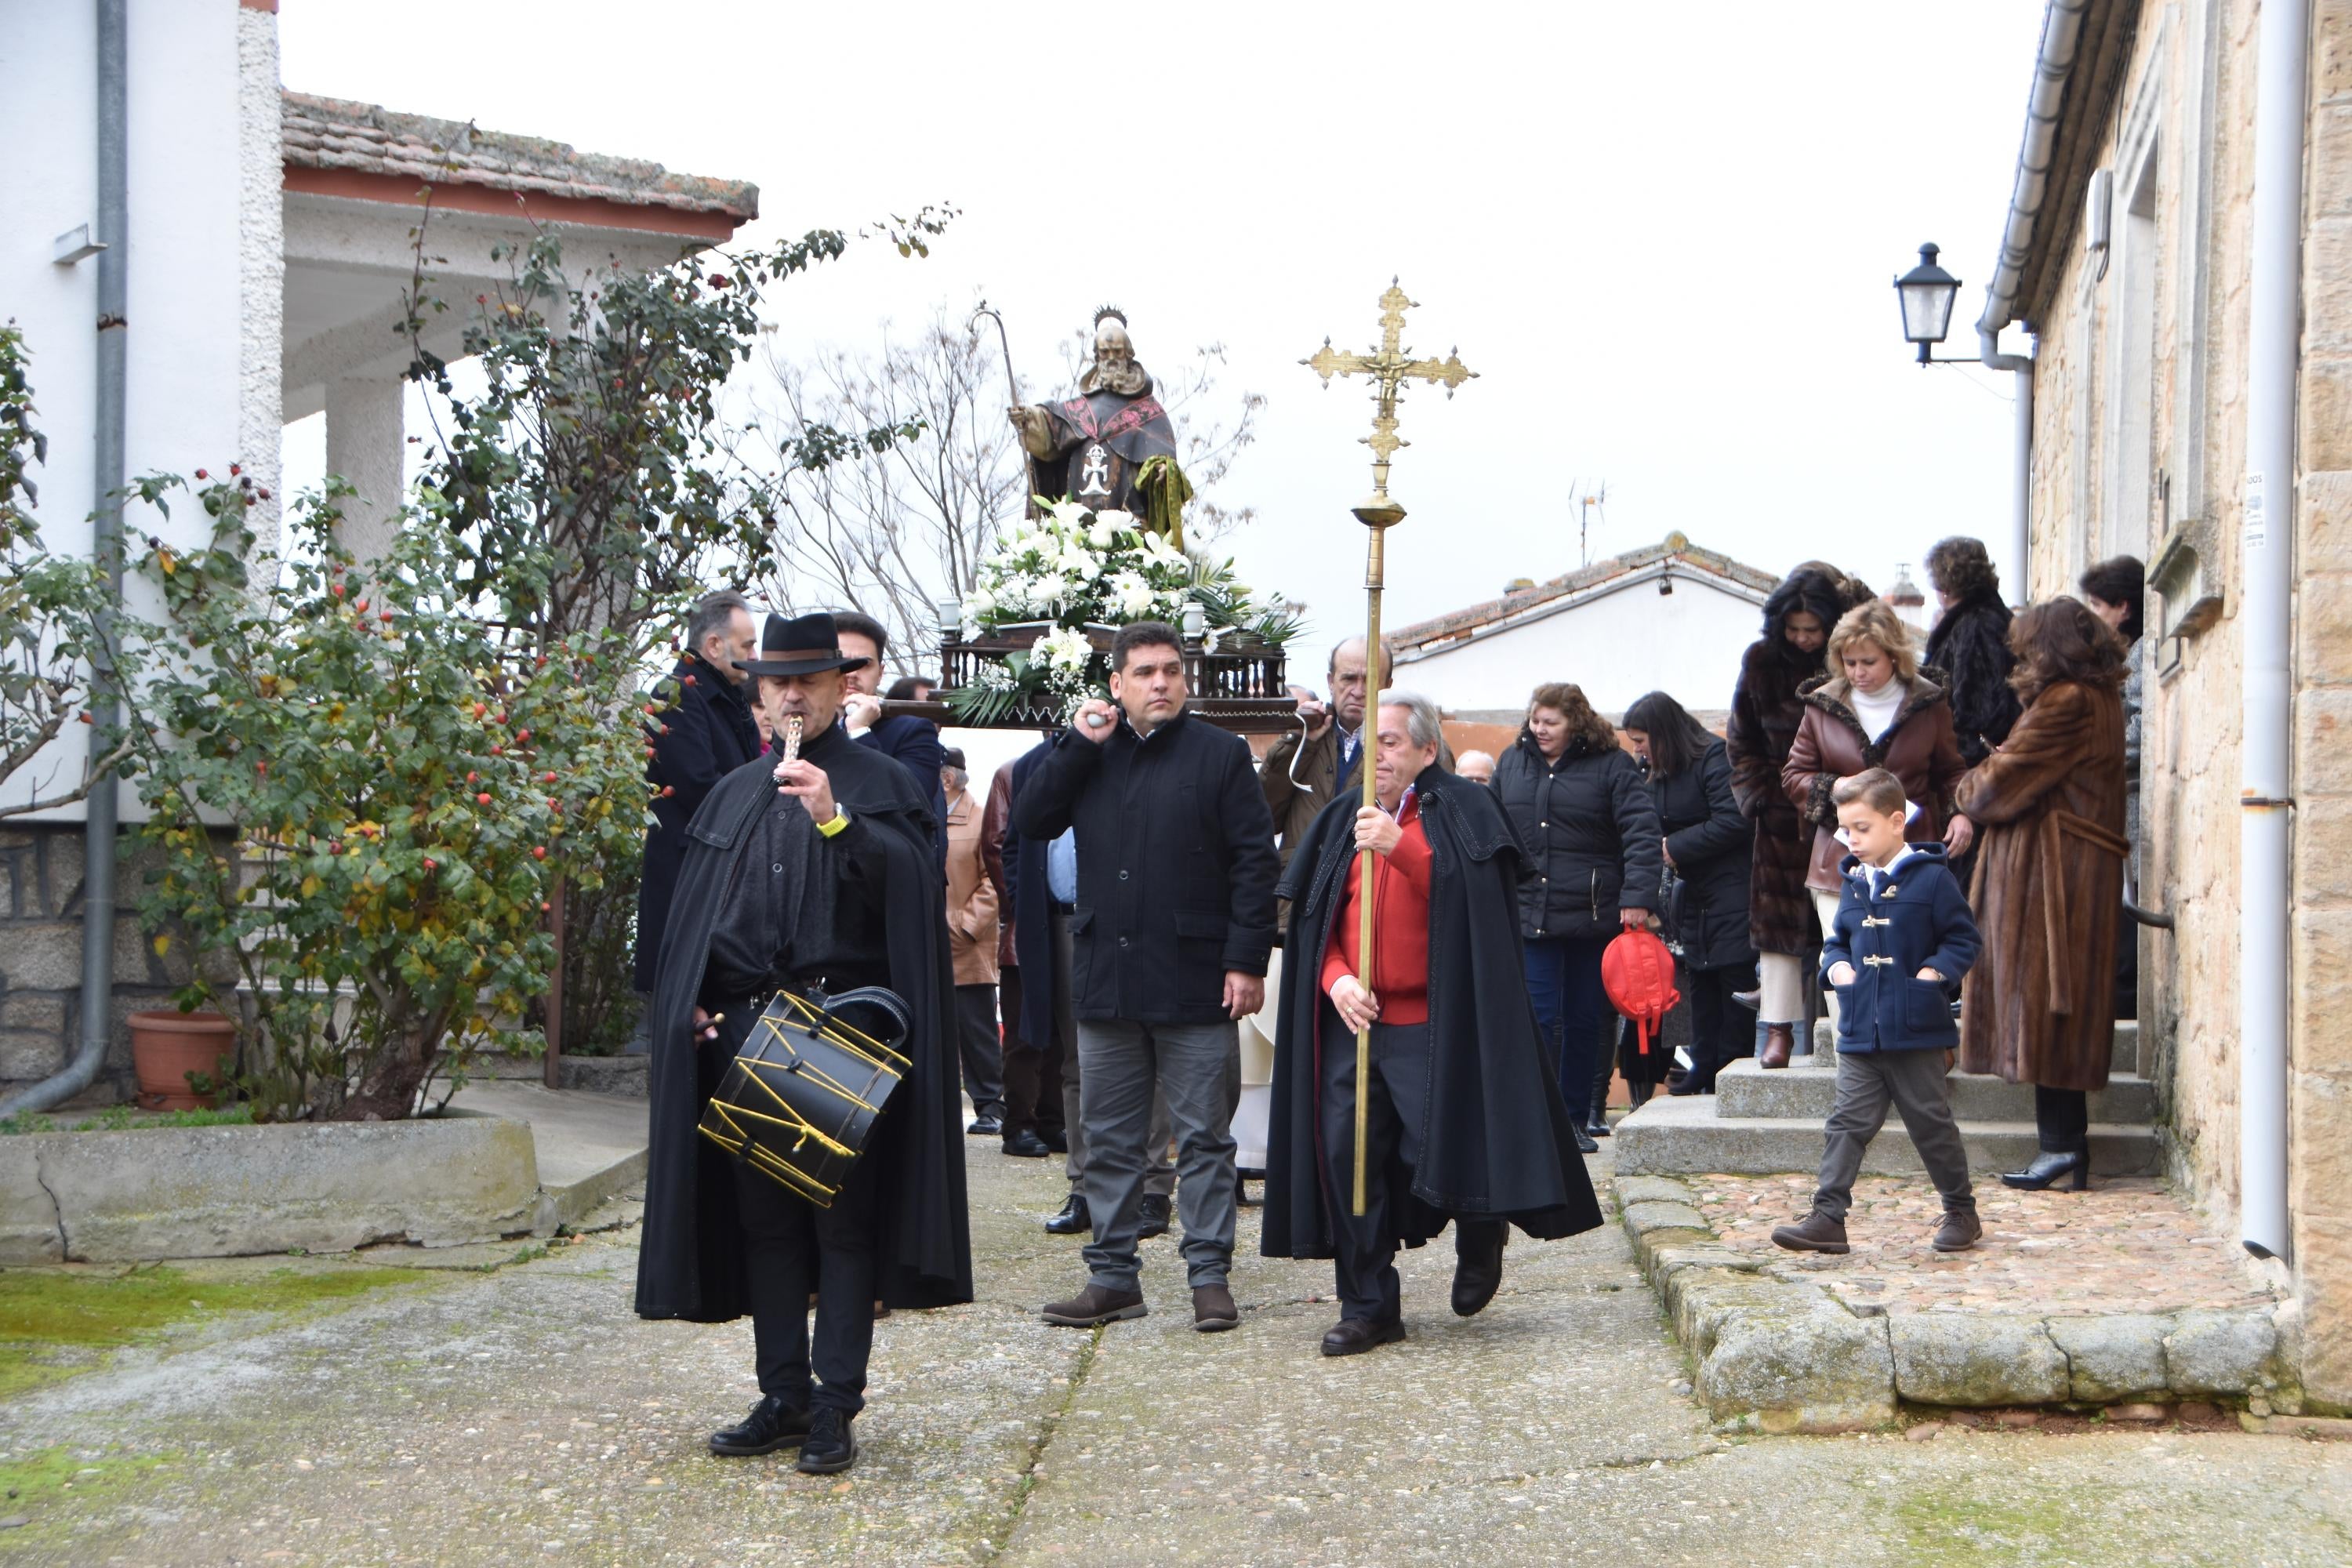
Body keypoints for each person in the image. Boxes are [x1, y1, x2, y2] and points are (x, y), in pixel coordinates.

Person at [634, 612, 971, 1476]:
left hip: (839, 1029)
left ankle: (834, 1403)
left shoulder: (883, 781)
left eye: (808, 681)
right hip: (745, 1028)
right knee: (765, 1226)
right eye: (775, 683)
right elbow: (695, 908)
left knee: (842, 1226)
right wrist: (697, 999)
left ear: (839, 687)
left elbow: (906, 890)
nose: (791, 695)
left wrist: (834, 818)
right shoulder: (733, 791)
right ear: (757, 698)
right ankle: (783, 1393)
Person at [1263, 690, 1602, 1355]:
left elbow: (1479, 908)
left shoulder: (1466, 808)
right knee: (1348, 1157)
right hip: (1357, 1022)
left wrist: (1402, 850)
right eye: (1371, 743)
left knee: (1442, 1146)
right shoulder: (1344, 819)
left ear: (1426, 748)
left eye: (1392, 742)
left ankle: (1483, 1226)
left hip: (1436, 1021)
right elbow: (1316, 924)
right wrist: (1336, 980)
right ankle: (1368, 1305)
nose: (1378, 755)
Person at [1017, 622, 1279, 1332]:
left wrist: (1245, 960)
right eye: (1143, 672)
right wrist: (1077, 744)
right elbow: (1031, 819)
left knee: (1203, 1139)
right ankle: (1112, 1277)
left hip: (1196, 976)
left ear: (1185, 680)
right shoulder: (1086, 753)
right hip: (1108, 975)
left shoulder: (1221, 755)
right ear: (1116, 684)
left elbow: (1255, 863)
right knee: (1108, 1136)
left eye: (1170, 670)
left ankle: (1208, 1275)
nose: (1159, 683)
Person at [1769, 768, 1984, 1256]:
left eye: (1861, 828)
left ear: (1896, 822)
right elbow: (1837, 943)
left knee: (1931, 1124)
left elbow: (1962, 939)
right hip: (1861, 1027)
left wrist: (1932, 977)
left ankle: (1961, 1211)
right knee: (1846, 1123)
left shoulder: (1932, 878)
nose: (1851, 839)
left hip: (1915, 1028)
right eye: (1846, 829)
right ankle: (1828, 1217)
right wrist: (1838, 968)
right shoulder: (1853, 884)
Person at [1955, 597, 2130, 1192]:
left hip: (2051, 876)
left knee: (2049, 1005)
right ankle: (2062, 1147)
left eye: (2028, 648)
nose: (2022, 659)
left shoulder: (2067, 702)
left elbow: (1991, 793)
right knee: (2058, 1006)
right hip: (2071, 868)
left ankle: (2062, 1148)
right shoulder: (2099, 697)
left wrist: (1978, 774)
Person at [1006, 735, 1176, 1230]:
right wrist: (1028, 905)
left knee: (1150, 1051)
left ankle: (1152, 1187)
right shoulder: (1035, 764)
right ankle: (1084, 1187)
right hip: (1060, 923)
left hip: (1128, 920)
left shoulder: (1131, 754)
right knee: (1077, 1059)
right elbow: (1016, 845)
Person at [1783, 599, 1973, 1039]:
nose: (1857, 672)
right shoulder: (1821, 706)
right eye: (1848, 662)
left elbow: (1951, 772)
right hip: (1839, 859)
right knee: (1846, 960)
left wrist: (1961, 813)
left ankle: (1919, 1052)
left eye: (1868, 661)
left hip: (1913, 856)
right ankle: (1855, 1060)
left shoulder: (1928, 703)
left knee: (1913, 954)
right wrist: (1847, 797)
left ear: (1894, 656)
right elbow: (1794, 776)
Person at [1491, 682, 1662, 1149]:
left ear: (1576, 723)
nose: (1540, 729)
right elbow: (1490, 826)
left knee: (1586, 1019)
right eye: (1536, 720)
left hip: (1594, 916)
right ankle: (1536, 1119)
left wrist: (1638, 897)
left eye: (1552, 722)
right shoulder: (1513, 762)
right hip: (1530, 913)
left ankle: (1571, 1119)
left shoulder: (1612, 766)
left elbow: (1642, 833)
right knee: (1538, 1018)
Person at [1729, 568, 1860, 1068]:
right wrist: (1761, 795)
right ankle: (1778, 1029)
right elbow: (1741, 740)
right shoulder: (1761, 662)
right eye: (1795, 628)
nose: (1804, 638)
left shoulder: (1849, 662)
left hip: (1845, 814)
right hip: (1783, 817)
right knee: (1778, 930)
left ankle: (1843, 1027)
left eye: (1813, 628)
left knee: (1841, 925)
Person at [1623, 691, 1756, 1094]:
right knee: (1699, 975)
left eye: (1641, 740)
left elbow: (1734, 820)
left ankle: (1731, 1070)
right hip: (1692, 890)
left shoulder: (1714, 758)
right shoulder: (1656, 770)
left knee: (1732, 975)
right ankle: (1704, 1065)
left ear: (1662, 734)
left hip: (1732, 885)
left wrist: (1673, 847)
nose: (1638, 750)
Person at [637, 590, 762, 993]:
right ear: (713, 645)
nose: (754, 656)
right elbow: (703, 788)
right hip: (691, 882)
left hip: (717, 877)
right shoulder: (676, 696)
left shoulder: (723, 698)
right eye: (747, 645)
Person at [982, 753, 1059, 1160]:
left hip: (1069, 922)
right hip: (1027, 926)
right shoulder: (1013, 772)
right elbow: (997, 846)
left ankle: (1052, 1118)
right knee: (1022, 1031)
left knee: (1064, 1033)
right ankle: (1019, 1122)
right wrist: (1023, 909)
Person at [2079, 555, 2146, 1020]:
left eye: (2098, 603)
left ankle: (2123, 997)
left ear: (2123, 606)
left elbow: (2139, 729)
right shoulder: (2116, 654)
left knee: (2128, 905)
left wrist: (2091, 754)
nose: (2091, 612)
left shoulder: (2141, 654)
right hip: (2114, 797)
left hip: (2129, 797)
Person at [833, 610, 949, 866]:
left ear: (880, 672)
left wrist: (859, 732)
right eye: (841, 661)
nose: (851, 673)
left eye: (863, 663)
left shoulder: (912, 732)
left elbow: (911, 801)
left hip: (887, 880)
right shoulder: (802, 731)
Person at [1261, 637, 1384, 873]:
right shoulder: (1305, 733)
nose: (1358, 691)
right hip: (1298, 893)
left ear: (1387, 684)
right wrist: (1299, 741)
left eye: (1370, 680)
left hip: (1362, 892)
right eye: (1348, 678)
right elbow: (1264, 817)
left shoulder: (1406, 745)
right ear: (1330, 681)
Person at [940, 748, 1004, 1137]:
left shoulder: (981, 819)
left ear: (947, 779)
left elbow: (995, 880)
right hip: (930, 946)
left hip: (968, 949)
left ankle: (992, 1105)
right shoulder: (924, 817)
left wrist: (964, 926)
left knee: (977, 1030)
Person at [1922, 537, 2023, 767]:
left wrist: (1955, 759)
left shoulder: (1977, 625)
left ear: (1945, 586)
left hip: (1971, 767)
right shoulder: (1984, 617)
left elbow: (1979, 706)